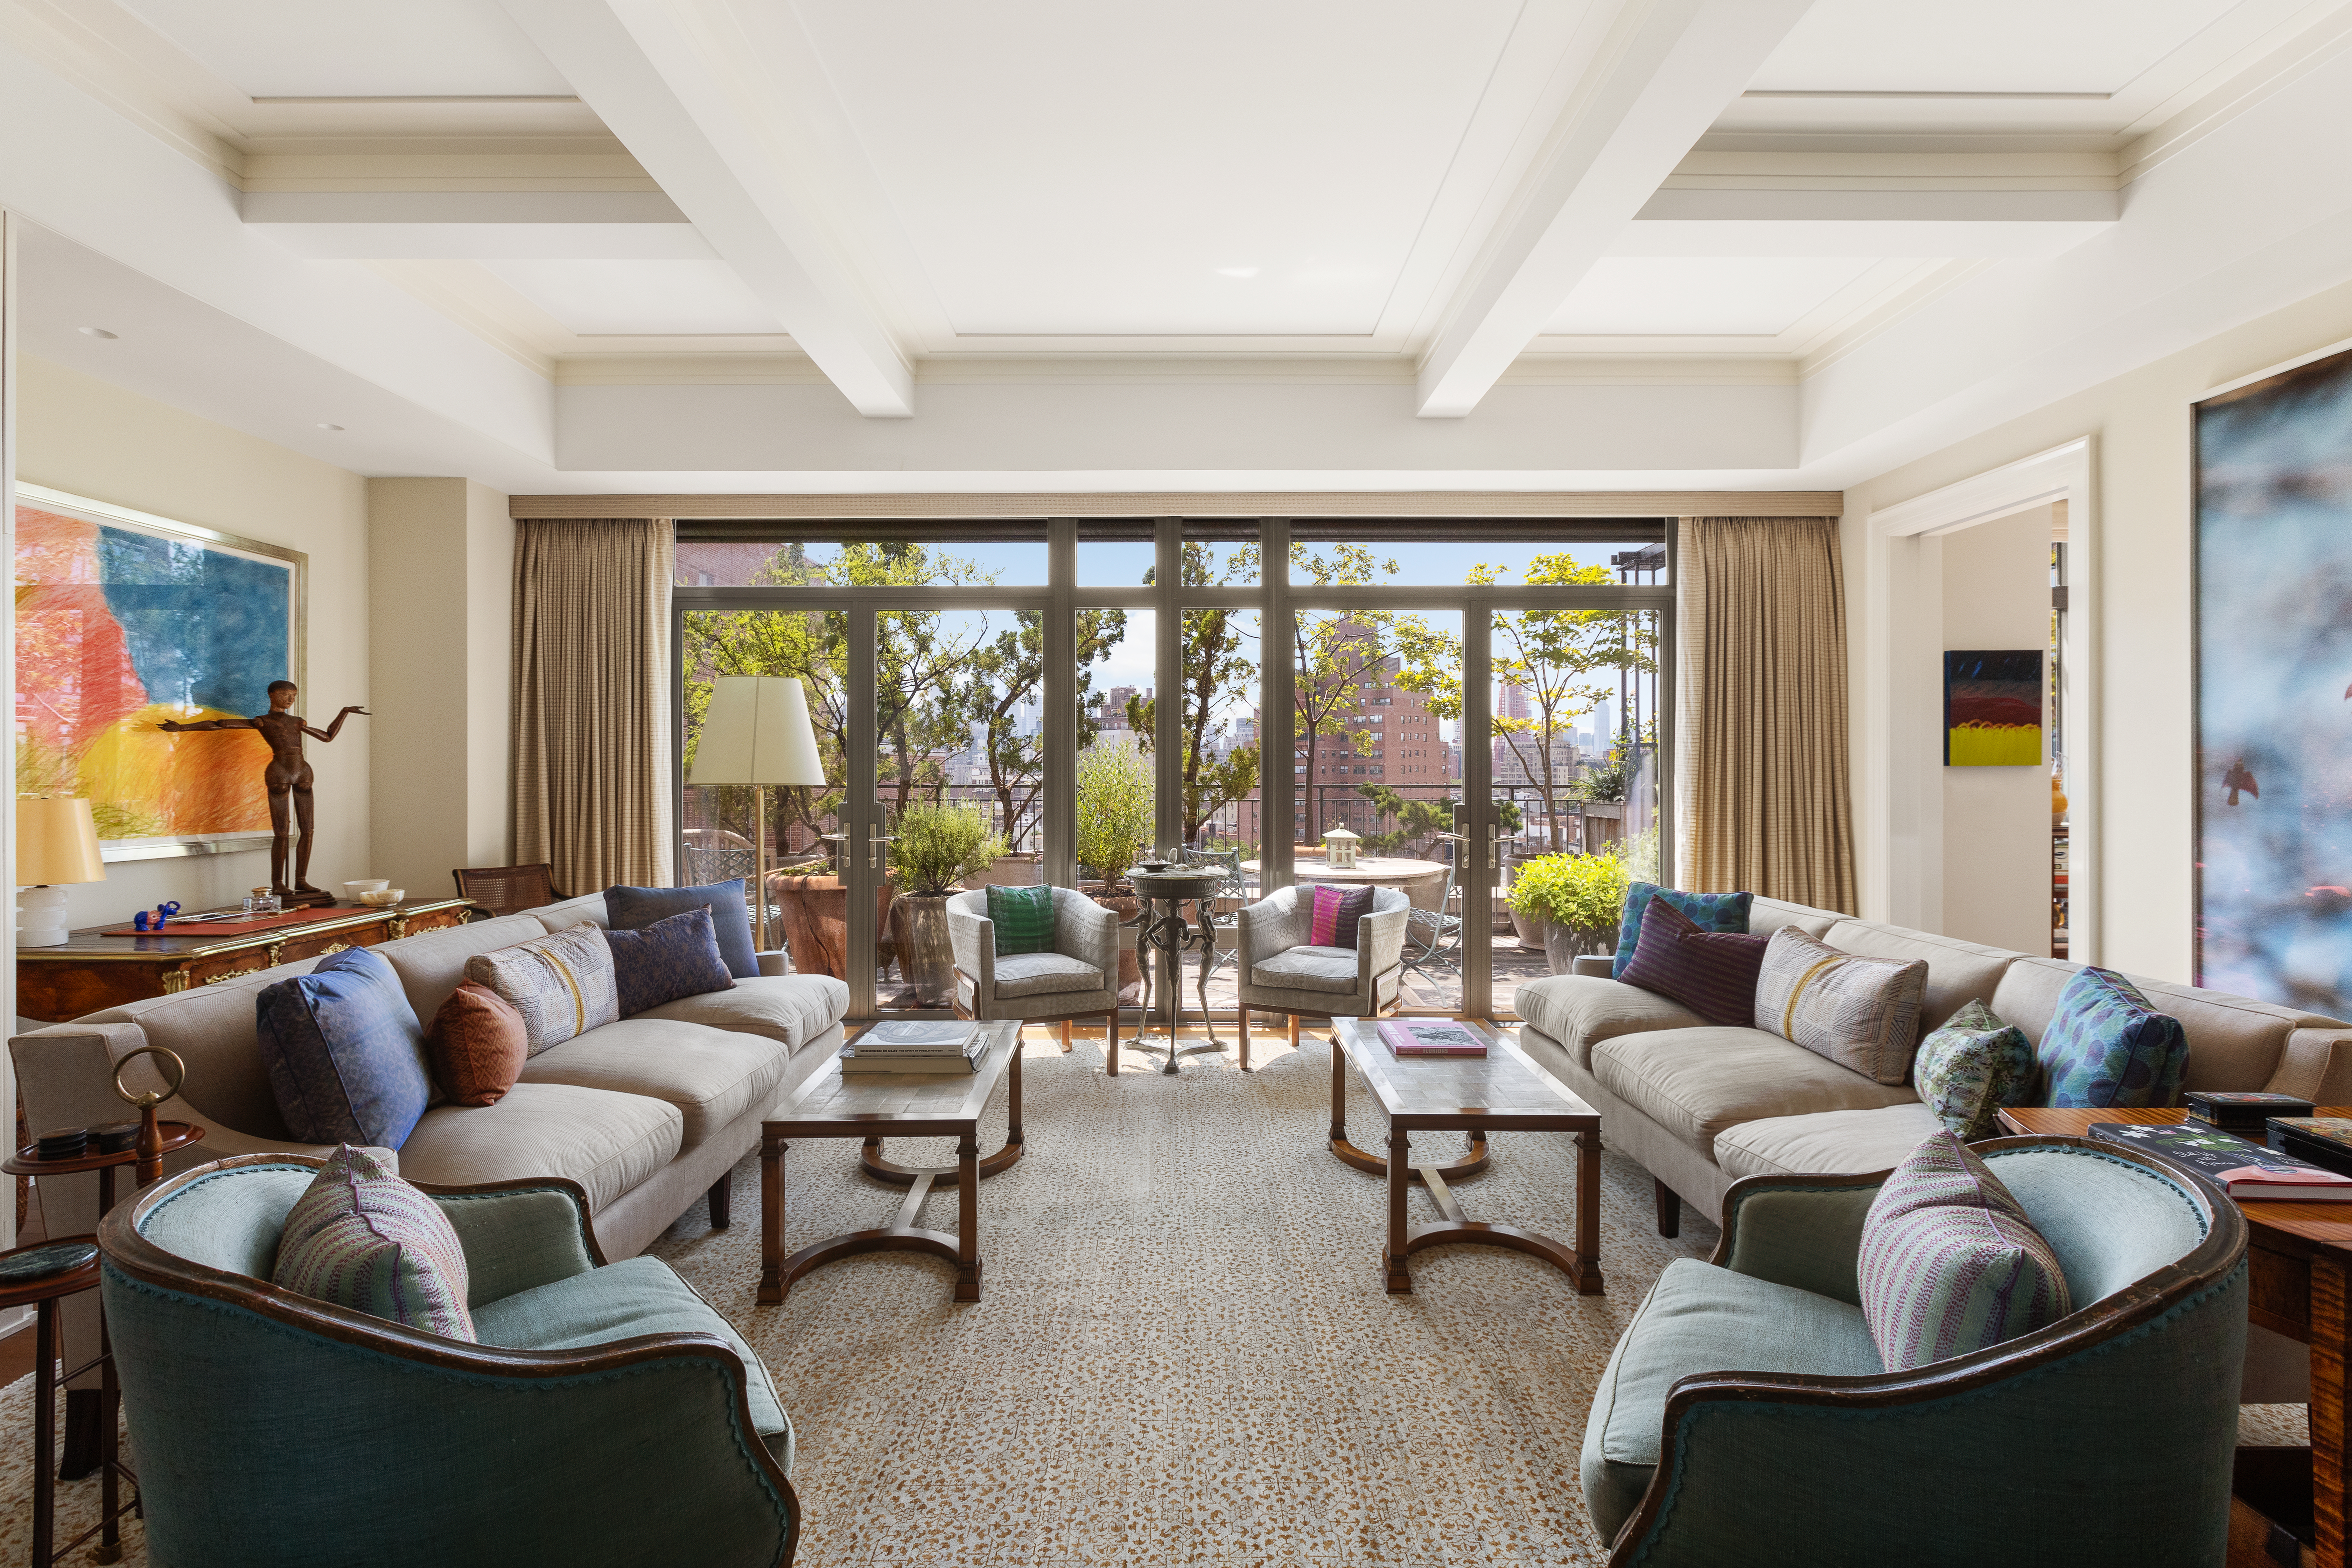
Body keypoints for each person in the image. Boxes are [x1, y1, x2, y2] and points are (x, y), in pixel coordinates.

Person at [158, 681, 366, 902]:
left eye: (293, 696)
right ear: (272, 695)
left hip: (303, 771)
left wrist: (344, 712)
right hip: (279, 772)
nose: (290, 700)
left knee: (309, 830)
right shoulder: (262, 721)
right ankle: (278, 883)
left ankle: (301, 880)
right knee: (282, 832)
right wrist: (182, 728)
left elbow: (327, 736)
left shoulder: (297, 721)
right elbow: (221, 724)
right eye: (286, 695)